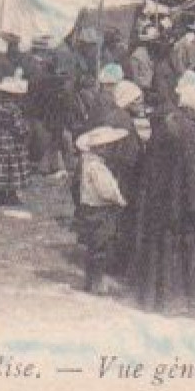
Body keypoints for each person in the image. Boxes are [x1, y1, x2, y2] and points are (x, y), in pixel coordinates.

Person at [129, 83, 195, 317]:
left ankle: (156, 300)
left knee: (160, 251)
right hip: (182, 201)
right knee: (185, 252)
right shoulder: (191, 132)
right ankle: (182, 302)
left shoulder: (169, 122)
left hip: (160, 196)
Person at [73, 125, 132, 296]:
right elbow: (106, 190)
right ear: (101, 148)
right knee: (102, 245)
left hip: (89, 208)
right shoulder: (98, 167)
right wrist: (120, 199)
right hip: (101, 210)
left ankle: (91, 280)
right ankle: (97, 283)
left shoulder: (87, 163)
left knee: (93, 246)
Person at [0, 74, 33, 207]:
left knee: (1, 166)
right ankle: (12, 195)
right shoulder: (15, 109)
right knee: (13, 167)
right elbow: (20, 127)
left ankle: (2, 195)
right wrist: (26, 131)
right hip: (13, 141)